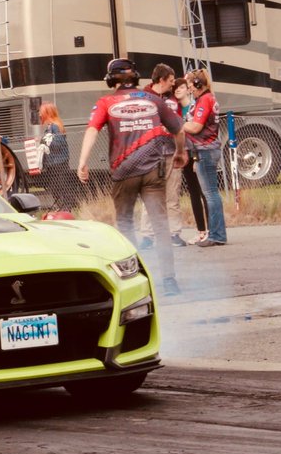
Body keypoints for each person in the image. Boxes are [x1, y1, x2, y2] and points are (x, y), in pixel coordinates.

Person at [76, 58, 187, 296]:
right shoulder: (153, 99)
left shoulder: (105, 102)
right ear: (135, 77)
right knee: (160, 225)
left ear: (110, 80)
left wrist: (83, 162)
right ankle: (169, 281)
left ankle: (135, 280)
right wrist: (180, 152)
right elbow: (179, 129)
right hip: (153, 171)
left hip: (123, 171)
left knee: (125, 225)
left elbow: (92, 130)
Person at [135, 64, 188, 247]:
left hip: (172, 152)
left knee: (172, 195)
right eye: (171, 81)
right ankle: (148, 236)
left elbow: (182, 120)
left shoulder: (174, 98)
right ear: (161, 80)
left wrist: (182, 149)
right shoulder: (143, 97)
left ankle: (174, 233)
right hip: (150, 154)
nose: (173, 85)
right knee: (149, 196)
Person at [182, 68, 227, 247]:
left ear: (198, 84)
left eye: (190, 85)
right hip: (205, 149)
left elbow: (196, 127)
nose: (189, 89)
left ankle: (216, 235)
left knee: (210, 194)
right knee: (211, 194)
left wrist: (178, 123)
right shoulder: (205, 98)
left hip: (206, 150)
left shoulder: (205, 100)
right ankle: (217, 234)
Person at [174, 77, 208, 243]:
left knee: (204, 192)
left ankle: (210, 229)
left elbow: (196, 131)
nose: (178, 90)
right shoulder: (175, 109)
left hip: (196, 152)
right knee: (193, 192)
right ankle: (201, 230)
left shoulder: (194, 107)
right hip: (183, 153)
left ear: (188, 89)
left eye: (181, 87)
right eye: (175, 88)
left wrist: (195, 157)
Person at [36, 102, 74, 210]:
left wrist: (44, 141)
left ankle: (67, 207)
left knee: (61, 186)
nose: (39, 114)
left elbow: (59, 142)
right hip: (53, 162)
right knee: (55, 187)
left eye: (41, 112)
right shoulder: (50, 127)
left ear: (47, 113)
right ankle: (62, 206)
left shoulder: (55, 126)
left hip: (59, 162)